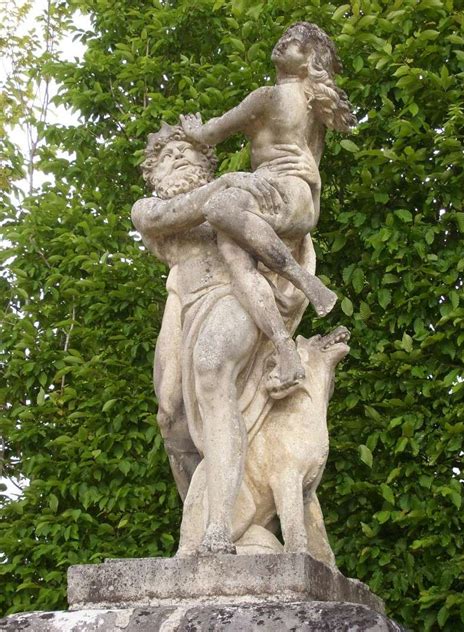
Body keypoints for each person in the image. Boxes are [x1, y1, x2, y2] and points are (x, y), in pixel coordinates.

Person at [132, 123, 316, 552]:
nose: (176, 158)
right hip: (183, 302)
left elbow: (292, 219)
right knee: (170, 413)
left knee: (212, 364)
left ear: (206, 162)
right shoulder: (148, 210)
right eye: (165, 157)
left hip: (234, 296)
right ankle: (216, 518)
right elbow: (168, 216)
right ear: (153, 174)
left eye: (186, 152)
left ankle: (219, 527)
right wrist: (228, 182)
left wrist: (305, 175)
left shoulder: (239, 198)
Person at [180, 21, 355, 396]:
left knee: (220, 204)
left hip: (276, 196)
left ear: (308, 61)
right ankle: (282, 346)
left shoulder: (268, 97)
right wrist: (317, 192)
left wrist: (194, 131)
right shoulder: (314, 109)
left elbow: (212, 133)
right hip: (300, 206)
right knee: (233, 250)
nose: (282, 43)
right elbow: (312, 172)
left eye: (292, 42)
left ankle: (302, 279)